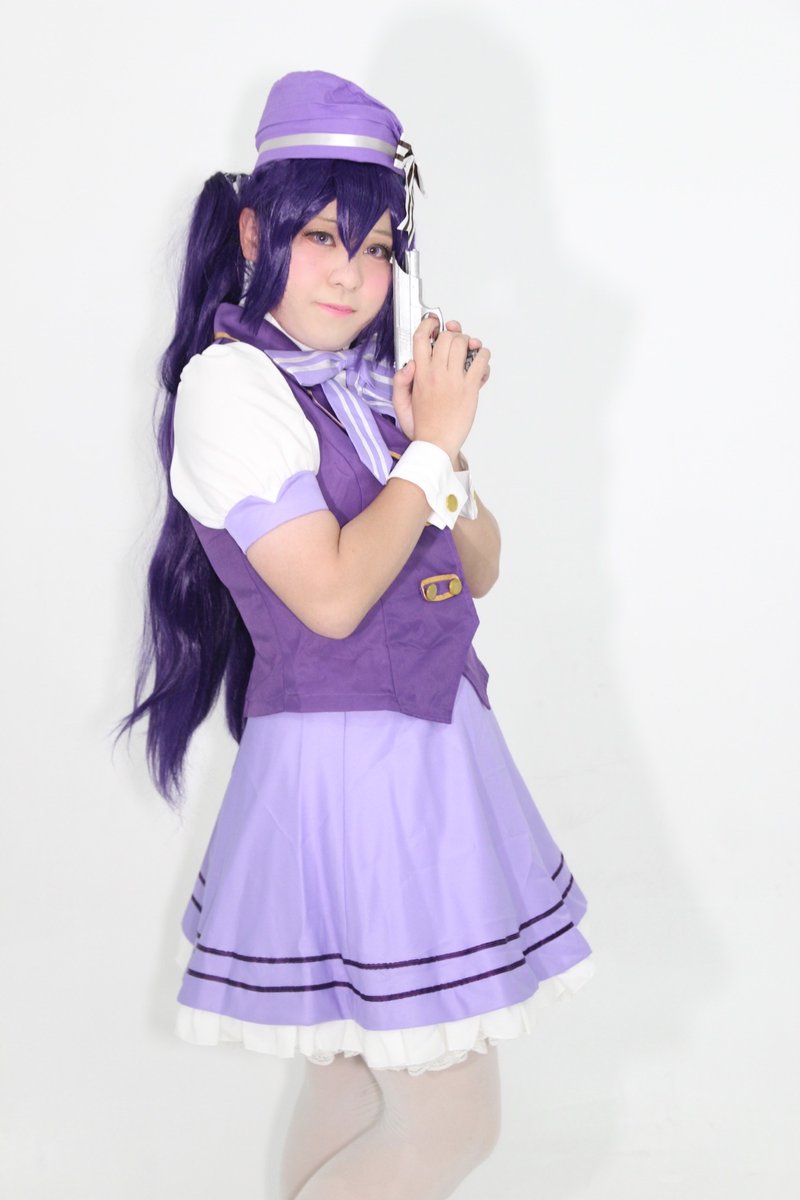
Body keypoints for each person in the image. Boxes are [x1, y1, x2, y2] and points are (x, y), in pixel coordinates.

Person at [121, 70, 594, 1200]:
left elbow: (480, 567)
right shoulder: (231, 388)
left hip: (428, 748)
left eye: (377, 247)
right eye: (323, 236)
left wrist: (438, 442)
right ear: (255, 232)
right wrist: (424, 451)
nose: (350, 273)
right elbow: (330, 597)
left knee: (347, 1083)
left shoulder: (369, 385)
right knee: (451, 1124)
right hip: (354, 774)